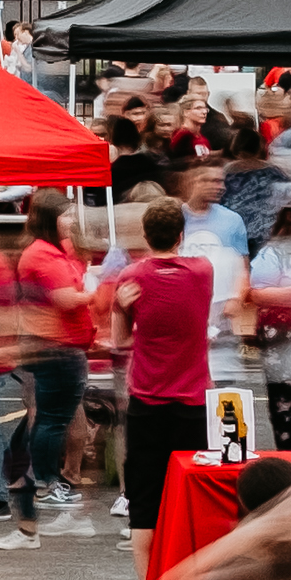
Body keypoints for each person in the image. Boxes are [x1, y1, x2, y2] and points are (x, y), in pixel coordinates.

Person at [113, 197, 221, 543]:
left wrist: (120, 308)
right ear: (180, 235)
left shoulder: (132, 277)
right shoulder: (203, 270)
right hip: (192, 401)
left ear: (146, 237)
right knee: (192, 492)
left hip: (147, 400)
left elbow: (120, 340)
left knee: (145, 503)